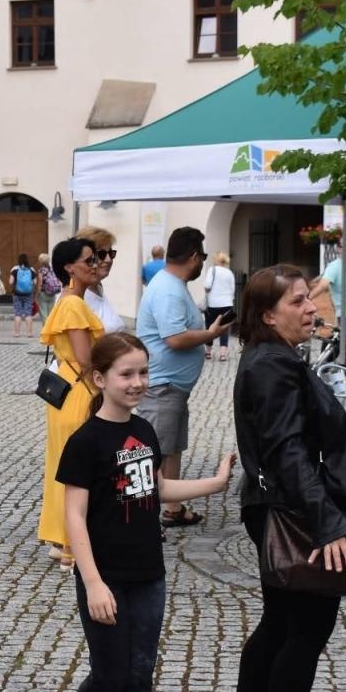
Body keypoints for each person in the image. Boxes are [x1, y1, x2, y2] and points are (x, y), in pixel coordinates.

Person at [56, 331, 233, 692]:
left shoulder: (146, 432)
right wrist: (92, 581)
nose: (137, 382)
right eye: (126, 374)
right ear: (100, 378)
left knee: (140, 671)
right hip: (105, 577)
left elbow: (157, 491)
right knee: (110, 672)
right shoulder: (86, 441)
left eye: (143, 372)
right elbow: (73, 517)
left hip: (148, 574)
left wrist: (212, 485)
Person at [226, 265, 346, 692]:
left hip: (283, 505)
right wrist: (328, 524)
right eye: (298, 301)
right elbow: (287, 452)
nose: (312, 308)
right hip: (293, 511)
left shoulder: (271, 357)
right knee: (307, 628)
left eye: (309, 298)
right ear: (269, 315)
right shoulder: (271, 364)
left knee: (279, 622)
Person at [136, 227, 231, 528]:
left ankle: (172, 508)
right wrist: (211, 334)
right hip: (162, 386)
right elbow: (175, 338)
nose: (202, 263)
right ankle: (144, 520)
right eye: (202, 256)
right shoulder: (167, 288)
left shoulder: (173, 285)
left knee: (172, 449)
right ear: (193, 256)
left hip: (173, 388)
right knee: (156, 455)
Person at [38, 237, 107, 569]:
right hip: (80, 392)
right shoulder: (74, 305)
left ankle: (62, 540)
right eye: (89, 261)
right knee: (80, 472)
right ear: (69, 268)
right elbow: (85, 358)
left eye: (97, 259)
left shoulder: (67, 300)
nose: (96, 265)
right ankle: (71, 548)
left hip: (66, 390)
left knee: (64, 467)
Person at [75, 226, 125, 334]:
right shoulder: (76, 296)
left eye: (111, 254)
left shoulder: (97, 287)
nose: (108, 260)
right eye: (101, 254)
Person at [202, 252, 237, 362]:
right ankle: (223, 354)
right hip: (227, 303)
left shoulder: (212, 270)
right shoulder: (229, 272)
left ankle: (208, 352)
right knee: (224, 328)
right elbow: (232, 289)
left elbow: (207, 286)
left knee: (209, 327)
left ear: (216, 260)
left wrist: (208, 291)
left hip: (213, 303)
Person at [9, 253, 37, 340]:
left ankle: (17, 333)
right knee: (28, 313)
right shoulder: (31, 270)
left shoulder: (15, 269)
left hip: (17, 294)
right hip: (28, 294)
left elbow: (10, 282)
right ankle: (30, 333)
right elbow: (35, 282)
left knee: (18, 313)